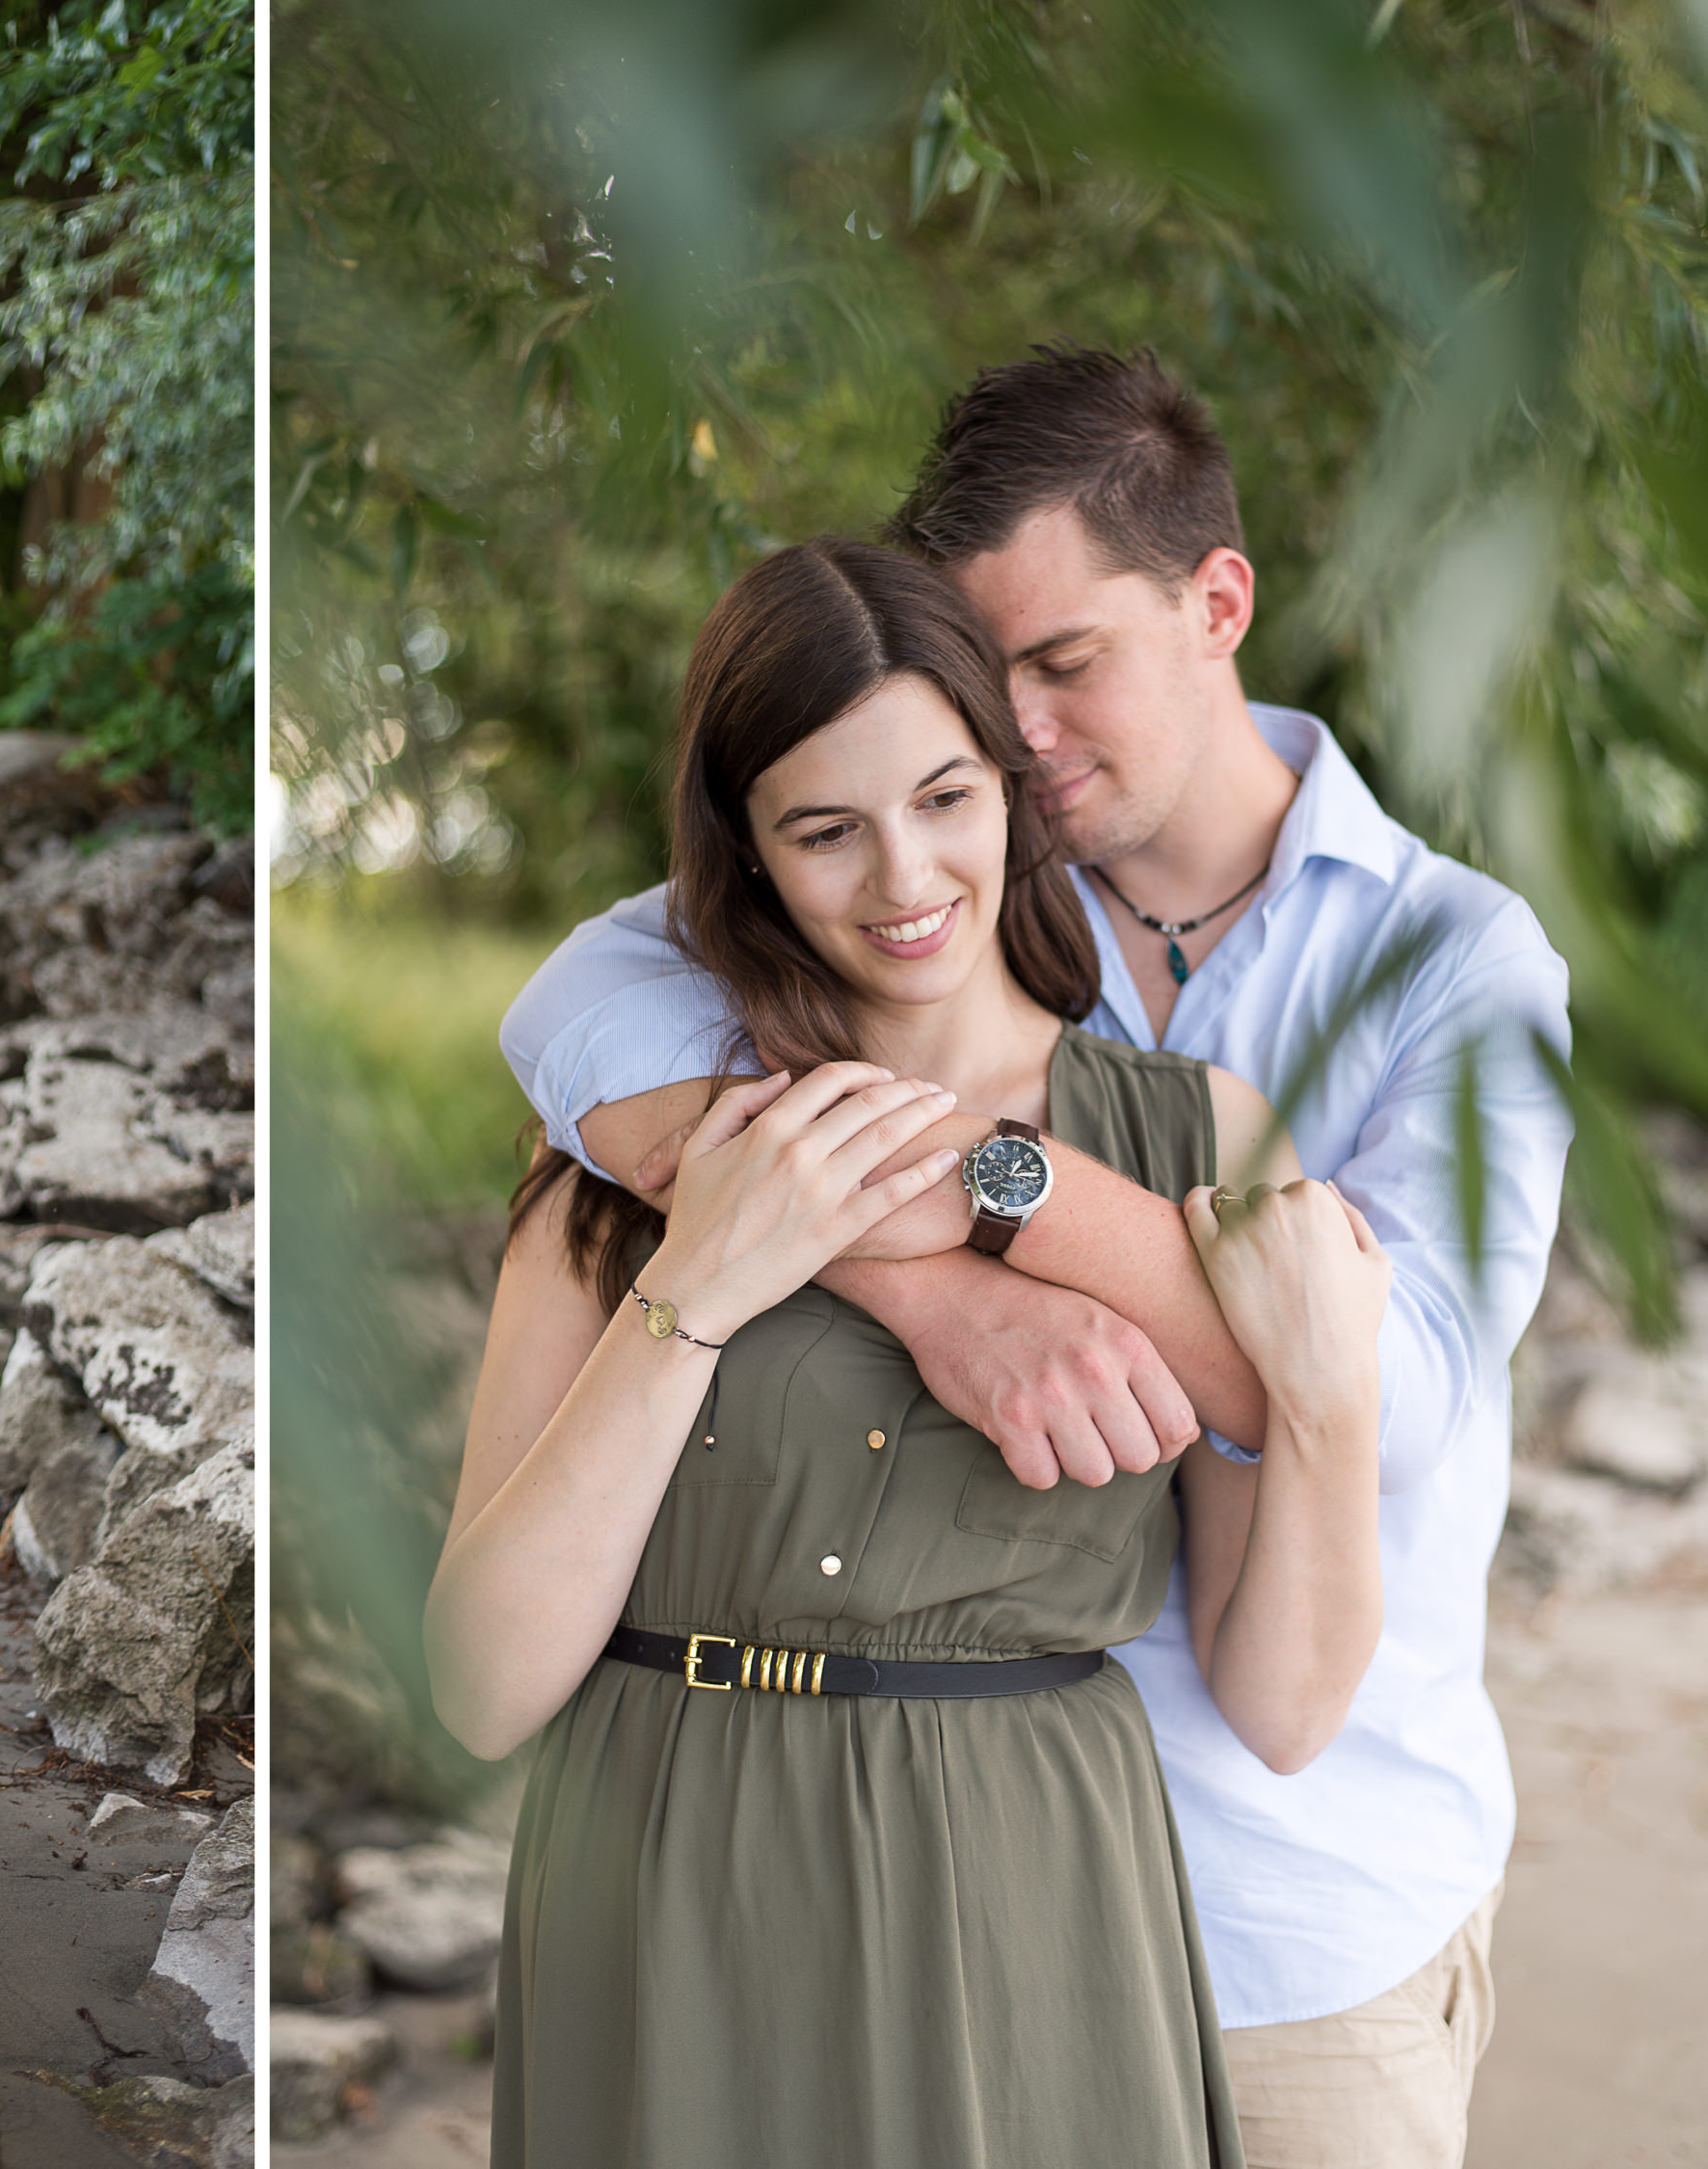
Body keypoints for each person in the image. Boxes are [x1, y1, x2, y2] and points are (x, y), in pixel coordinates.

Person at [496, 348, 1571, 2166]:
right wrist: (934, 1291)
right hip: (819, 1885)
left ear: (1217, 601)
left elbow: (1378, 1404)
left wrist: (998, 1192)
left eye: (1066, 665)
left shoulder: (1453, 970)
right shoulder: (936, 864)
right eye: (996, 696)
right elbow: (581, 1010)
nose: (1030, 736)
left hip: (1292, 1915)